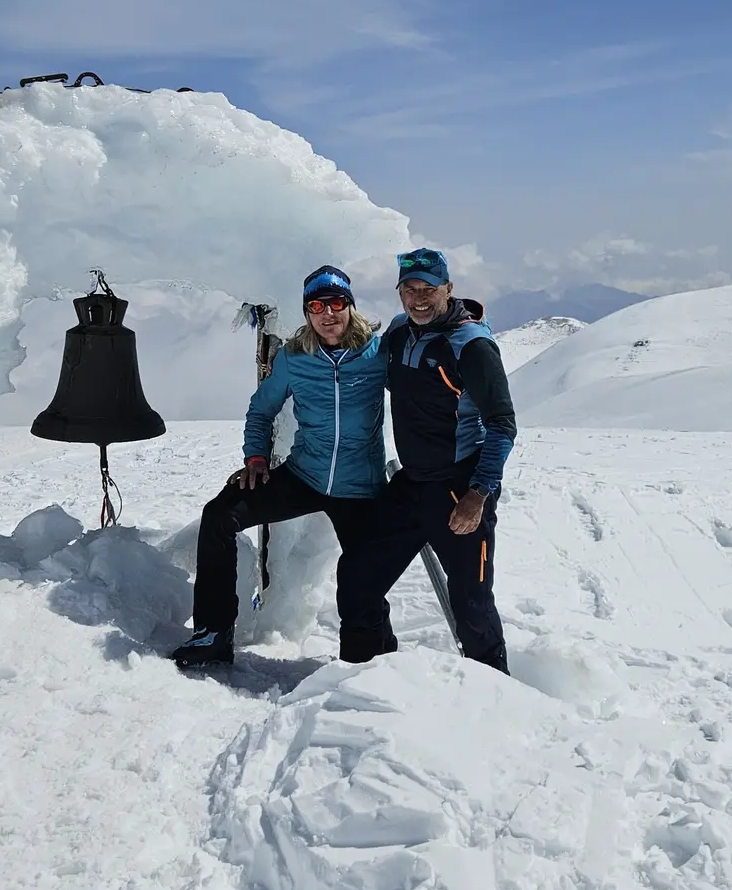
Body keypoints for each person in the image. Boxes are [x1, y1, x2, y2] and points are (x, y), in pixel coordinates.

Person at [169, 265, 387, 668]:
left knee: (363, 581)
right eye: (316, 306)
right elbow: (262, 409)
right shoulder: (293, 356)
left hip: (360, 488)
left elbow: (424, 368)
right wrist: (255, 457)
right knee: (220, 515)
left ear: (350, 306)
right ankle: (214, 632)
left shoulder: (377, 352)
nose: (327, 314)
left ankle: (367, 665)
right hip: (305, 475)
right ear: (307, 312)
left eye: (336, 303)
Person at [339, 247, 518, 673]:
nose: (418, 298)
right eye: (409, 289)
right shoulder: (401, 331)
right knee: (358, 575)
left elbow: (503, 423)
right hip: (411, 484)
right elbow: (363, 366)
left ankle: (497, 696)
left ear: (448, 289)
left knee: (471, 603)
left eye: (428, 289)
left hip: (460, 489)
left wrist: (478, 494)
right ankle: (368, 675)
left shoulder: (471, 345)